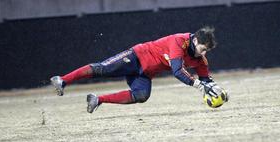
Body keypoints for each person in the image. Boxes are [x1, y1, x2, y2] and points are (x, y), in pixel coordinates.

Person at [51, 26, 225, 113]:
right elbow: (178, 70)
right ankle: (63, 80)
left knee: (141, 95)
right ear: (195, 41)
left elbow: (207, 80)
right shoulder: (180, 41)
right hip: (136, 57)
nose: (204, 53)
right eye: (203, 48)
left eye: (206, 51)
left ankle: (97, 100)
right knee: (102, 69)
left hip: (145, 72)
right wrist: (198, 86)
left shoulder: (201, 59)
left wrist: (220, 92)